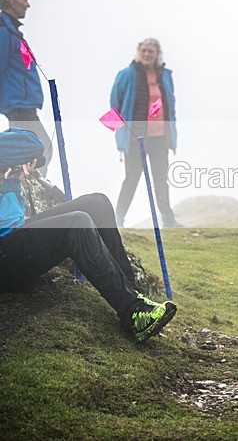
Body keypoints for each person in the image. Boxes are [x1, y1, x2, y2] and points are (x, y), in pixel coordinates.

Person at [0, 128, 176, 342]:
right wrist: (20, 164)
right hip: (5, 256)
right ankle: (132, 313)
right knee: (77, 223)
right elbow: (32, 145)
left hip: (11, 237)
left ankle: (135, 296)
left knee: (97, 203)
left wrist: (12, 178)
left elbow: (9, 217)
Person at [110, 38, 181, 228]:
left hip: (160, 138)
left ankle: (168, 220)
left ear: (158, 54)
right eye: (144, 50)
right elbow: (114, 105)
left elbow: (171, 106)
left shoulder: (165, 76)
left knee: (161, 180)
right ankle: (117, 220)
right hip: (135, 138)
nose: (147, 54)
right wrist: (121, 133)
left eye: (151, 51)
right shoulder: (126, 75)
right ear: (138, 52)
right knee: (131, 179)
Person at [0, 0, 52, 175]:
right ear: (13, 2)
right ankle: (28, 188)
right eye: (25, 0)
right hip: (17, 104)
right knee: (41, 148)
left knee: (32, 150)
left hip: (22, 104)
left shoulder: (12, 32)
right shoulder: (4, 31)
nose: (28, 5)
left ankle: (22, 185)